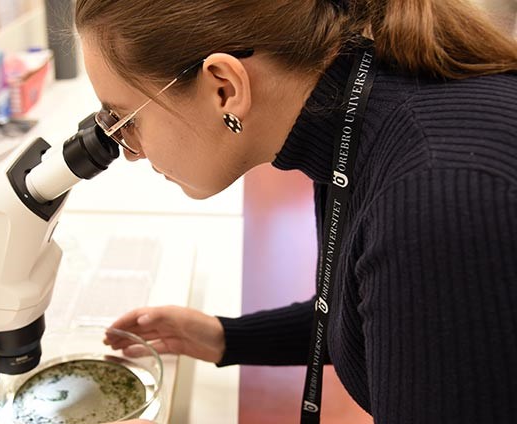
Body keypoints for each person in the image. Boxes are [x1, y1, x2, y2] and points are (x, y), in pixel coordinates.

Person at [73, 0, 517, 422]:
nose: (128, 150)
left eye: (126, 118)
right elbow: (395, 319)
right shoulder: (361, 110)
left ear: (224, 87)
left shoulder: (435, 200)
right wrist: (228, 337)